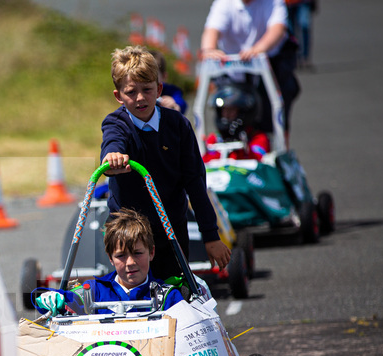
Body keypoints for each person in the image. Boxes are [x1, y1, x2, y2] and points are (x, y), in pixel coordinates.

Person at [100, 45, 230, 282]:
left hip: (170, 226)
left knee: (174, 287)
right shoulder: (116, 123)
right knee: (134, 289)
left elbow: (195, 184)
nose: (140, 98)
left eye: (147, 90)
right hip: (128, 229)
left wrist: (211, 236)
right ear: (119, 96)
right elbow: (112, 143)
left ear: (159, 89)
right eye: (131, 92)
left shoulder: (178, 125)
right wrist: (112, 157)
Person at [33, 209, 184, 316]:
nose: (130, 262)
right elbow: (68, 300)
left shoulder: (167, 297)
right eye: (121, 256)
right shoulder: (94, 291)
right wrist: (48, 297)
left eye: (137, 253)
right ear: (110, 258)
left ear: (151, 252)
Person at [200, 0, 301, 135]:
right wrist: (209, 50)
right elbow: (212, 30)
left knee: (275, 110)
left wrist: (258, 49)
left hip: (269, 65)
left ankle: (279, 146)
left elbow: (277, 29)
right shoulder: (225, 3)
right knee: (227, 112)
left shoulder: (272, 2)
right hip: (233, 69)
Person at [203, 82, 271, 162]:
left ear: (243, 112)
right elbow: (204, 164)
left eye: (231, 110)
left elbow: (259, 161)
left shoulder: (259, 138)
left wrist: (243, 147)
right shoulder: (213, 140)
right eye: (224, 109)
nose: (227, 114)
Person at [149, 49, 188, 114]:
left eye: (154, 76)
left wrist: (174, 105)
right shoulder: (139, 91)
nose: (148, 80)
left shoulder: (172, 91)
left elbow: (182, 104)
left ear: (164, 76)